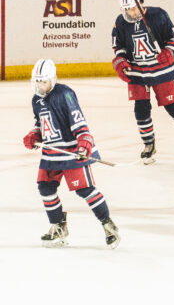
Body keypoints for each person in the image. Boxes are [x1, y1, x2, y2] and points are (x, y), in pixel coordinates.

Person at [23, 59, 120, 248]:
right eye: (37, 81)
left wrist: (84, 143)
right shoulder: (36, 100)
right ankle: (58, 227)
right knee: (45, 187)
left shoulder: (64, 94)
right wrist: (34, 134)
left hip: (71, 151)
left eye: (43, 81)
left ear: (52, 79)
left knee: (85, 190)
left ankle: (108, 225)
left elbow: (78, 120)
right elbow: (41, 124)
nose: (39, 85)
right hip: (51, 154)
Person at [111, 0, 174, 163]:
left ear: (141, 2)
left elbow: (173, 37)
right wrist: (121, 61)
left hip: (162, 70)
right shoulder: (121, 22)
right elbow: (118, 45)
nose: (131, 12)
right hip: (137, 72)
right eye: (127, 9)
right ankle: (149, 144)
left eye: (134, 8)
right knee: (141, 110)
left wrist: (168, 52)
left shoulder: (158, 14)